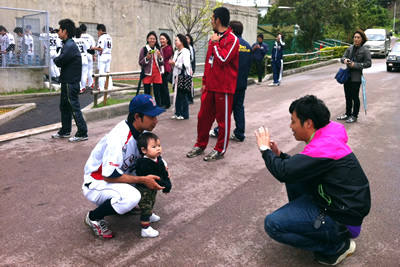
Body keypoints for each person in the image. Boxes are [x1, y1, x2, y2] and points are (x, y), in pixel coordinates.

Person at [254, 95, 371, 265]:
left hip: (343, 218)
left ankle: (337, 247)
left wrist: (264, 149)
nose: (290, 126)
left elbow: (283, 172)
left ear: (308, 123)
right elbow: (296, 168)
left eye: (293, 121)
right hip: (339, 205)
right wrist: (279, 155)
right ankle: (309, 226)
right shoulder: (327, 137)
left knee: (273, 225)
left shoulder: (324, 147)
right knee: (295, 176)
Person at [82, 94, 165, 239]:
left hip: (119, 174)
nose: (156, 120)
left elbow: (152, 157)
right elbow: (109, 176)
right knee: (132, 196)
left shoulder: (142, 132)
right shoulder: (118, 138)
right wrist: (143, 180)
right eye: (151, 116)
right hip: (98, 182)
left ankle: (125, 204)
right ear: (138, 117)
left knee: (157, 168)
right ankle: (93, 217)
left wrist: (163, 169)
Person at [186, 7, 239, 162]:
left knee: (223, 121)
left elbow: (223, 59)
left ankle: (220, 149)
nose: (210, 21)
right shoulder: (213, 39)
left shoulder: (231, 39)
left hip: (224, 87)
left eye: (212, 19)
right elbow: (210, 62)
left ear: (218, 20)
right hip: (210, 86)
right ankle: (200, 145)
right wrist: (204, 81)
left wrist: (216, 44)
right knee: (203, 117)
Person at [210, 20, 252, 142]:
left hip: (230, 82)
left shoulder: (231, 43)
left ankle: (220, 130)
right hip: (242, 82)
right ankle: (239, 133)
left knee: (226, 108)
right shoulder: (248, 46)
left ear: (231, 30)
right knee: (239, 107)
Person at [52, 18, 88, 142]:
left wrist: (57, 58)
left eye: (60, 30)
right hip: (67, 81)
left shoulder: (70, 46)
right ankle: (65, 130)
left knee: (73, 107)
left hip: (70, 83)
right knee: (64, 106)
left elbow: (59, 61)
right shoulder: (68, 44)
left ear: (65, 31)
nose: (58, 33)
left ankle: (82, 132)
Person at [135, 132, 172, 238]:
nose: (158, 149)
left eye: (159, 146)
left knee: (152, 202)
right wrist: (165, 185)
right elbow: (157, 177)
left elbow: (163, 173)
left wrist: (167, 183)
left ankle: (150, 215)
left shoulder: (158, 159)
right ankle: (145, 228)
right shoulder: (144, 164)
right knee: (146, 206)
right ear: (144, 150)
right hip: (144, 190)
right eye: (154, 147)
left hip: (152, 188)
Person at [337, 29, 371, 123]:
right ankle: (347, 113)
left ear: (362, 39)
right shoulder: (350, 48)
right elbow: (342, 57)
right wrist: (344, 60)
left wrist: (355, 65)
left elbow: (368, 63)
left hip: (356, 77)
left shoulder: (365, 50)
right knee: (347, 96)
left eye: (358, 37)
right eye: (355, 37)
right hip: (347, 76)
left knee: (354, 96)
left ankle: (354, 115)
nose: (356, 39)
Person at [169, 34, 191, 120]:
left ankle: (184, 114)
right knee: (177, 95)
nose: (175, 42)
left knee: (183, 95)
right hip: (176, 76)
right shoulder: (176, 52)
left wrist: (175, 64)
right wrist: (172, 64)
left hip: (183, 77)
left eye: (176, 40)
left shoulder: (186, 51)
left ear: (181, 41)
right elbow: (175, 64)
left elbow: (186, 65)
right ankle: (177, 112)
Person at [138, 31, 164, 106]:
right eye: (151, 38)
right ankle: (148, 106)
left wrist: (159, 56)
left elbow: (162, 62)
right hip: (147, 73)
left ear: (156, 40)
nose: (152, 40)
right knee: (147, 92)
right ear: (147, 39)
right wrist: (146, 58)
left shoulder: (158, 49)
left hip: (157, 73)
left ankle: (158, 106)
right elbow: (140, 62)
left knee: (157, 92)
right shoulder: (144, 49)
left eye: (154, 39)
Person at [90, 24, 112, 90]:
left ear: (100, 30)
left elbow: (101, 48)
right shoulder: (109, 37)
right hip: (109, 55)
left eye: (98, 31)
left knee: (101, 72)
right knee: (107, 72)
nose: (98, 32)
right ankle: (110, 86)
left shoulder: (102, 37)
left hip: (103, 55)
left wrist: (93, 48)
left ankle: (101, 87)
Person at [73, 27, 90, 94]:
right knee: (84, 74)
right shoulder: (84, 40)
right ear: (81, 34)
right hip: (84, 57)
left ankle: (79, 87)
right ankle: (83, 87)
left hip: (76, 58)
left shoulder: (73, 40)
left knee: (77, 74)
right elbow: (88, 49)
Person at [159, 32, 173, 109]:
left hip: (165, 69)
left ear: (167, 40)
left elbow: (163, 58)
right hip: (160, 69)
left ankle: (166, 103)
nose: (161, 40)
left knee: (164, 86)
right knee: (161, 86)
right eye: (160, 39)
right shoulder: (161, 48)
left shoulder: (168, 48)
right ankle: (162, 102)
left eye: (163, 39)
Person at [80, 24, 96, 89]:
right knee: (90, 70)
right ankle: (90, 84)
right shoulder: (90, 37)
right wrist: (94, 55)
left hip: (82, 55)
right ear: (86, 29)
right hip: (89, 54)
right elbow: (93, 47)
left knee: (83, 72)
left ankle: (82, 86)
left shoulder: (79, 36)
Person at [186, 33, 196, 104]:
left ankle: (190, 98)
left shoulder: (190, 47)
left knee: (190, 84)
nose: (186, 40)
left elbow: (192, 59)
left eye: (188, 38)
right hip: (185, 68)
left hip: (189, 68)